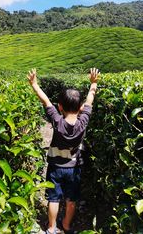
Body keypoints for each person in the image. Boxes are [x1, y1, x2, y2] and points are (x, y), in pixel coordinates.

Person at [27, 68, 100, 234]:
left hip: (55, 167)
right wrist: (93, 84)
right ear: (81, 107)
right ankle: (66, 225)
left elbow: (45, 101)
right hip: (74, 168)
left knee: (53, 198)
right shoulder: (83, 121)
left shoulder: (57, 121)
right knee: (71, 199)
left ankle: (51, 228)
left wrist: (35, 85)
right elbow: (90, 100)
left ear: (59, 107)